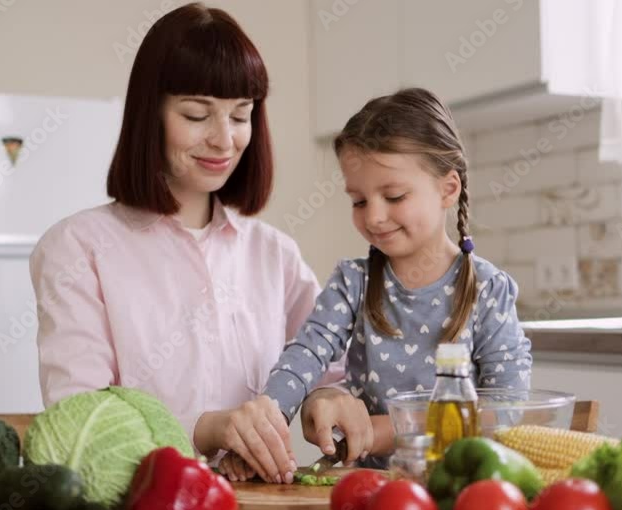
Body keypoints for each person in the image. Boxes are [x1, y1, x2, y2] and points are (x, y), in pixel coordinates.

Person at [29, 2, 342, 483]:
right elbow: (81, 425)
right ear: (149, 113)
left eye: (241, 116)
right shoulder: (78, 247)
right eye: (197, 114)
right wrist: (206, 428)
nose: (224, 139)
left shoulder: (273, 254)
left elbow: (330, 371)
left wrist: (326, 399)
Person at [220, 88, 534, 483]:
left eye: (394, 195)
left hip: (461, 489)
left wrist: (384, 430)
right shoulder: (353, 283)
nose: (375, 217)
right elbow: (304, 357)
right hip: (371, 491)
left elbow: (505, 408)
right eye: (359, 201)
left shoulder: (488, 290)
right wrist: (267, 423)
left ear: (448, 189)